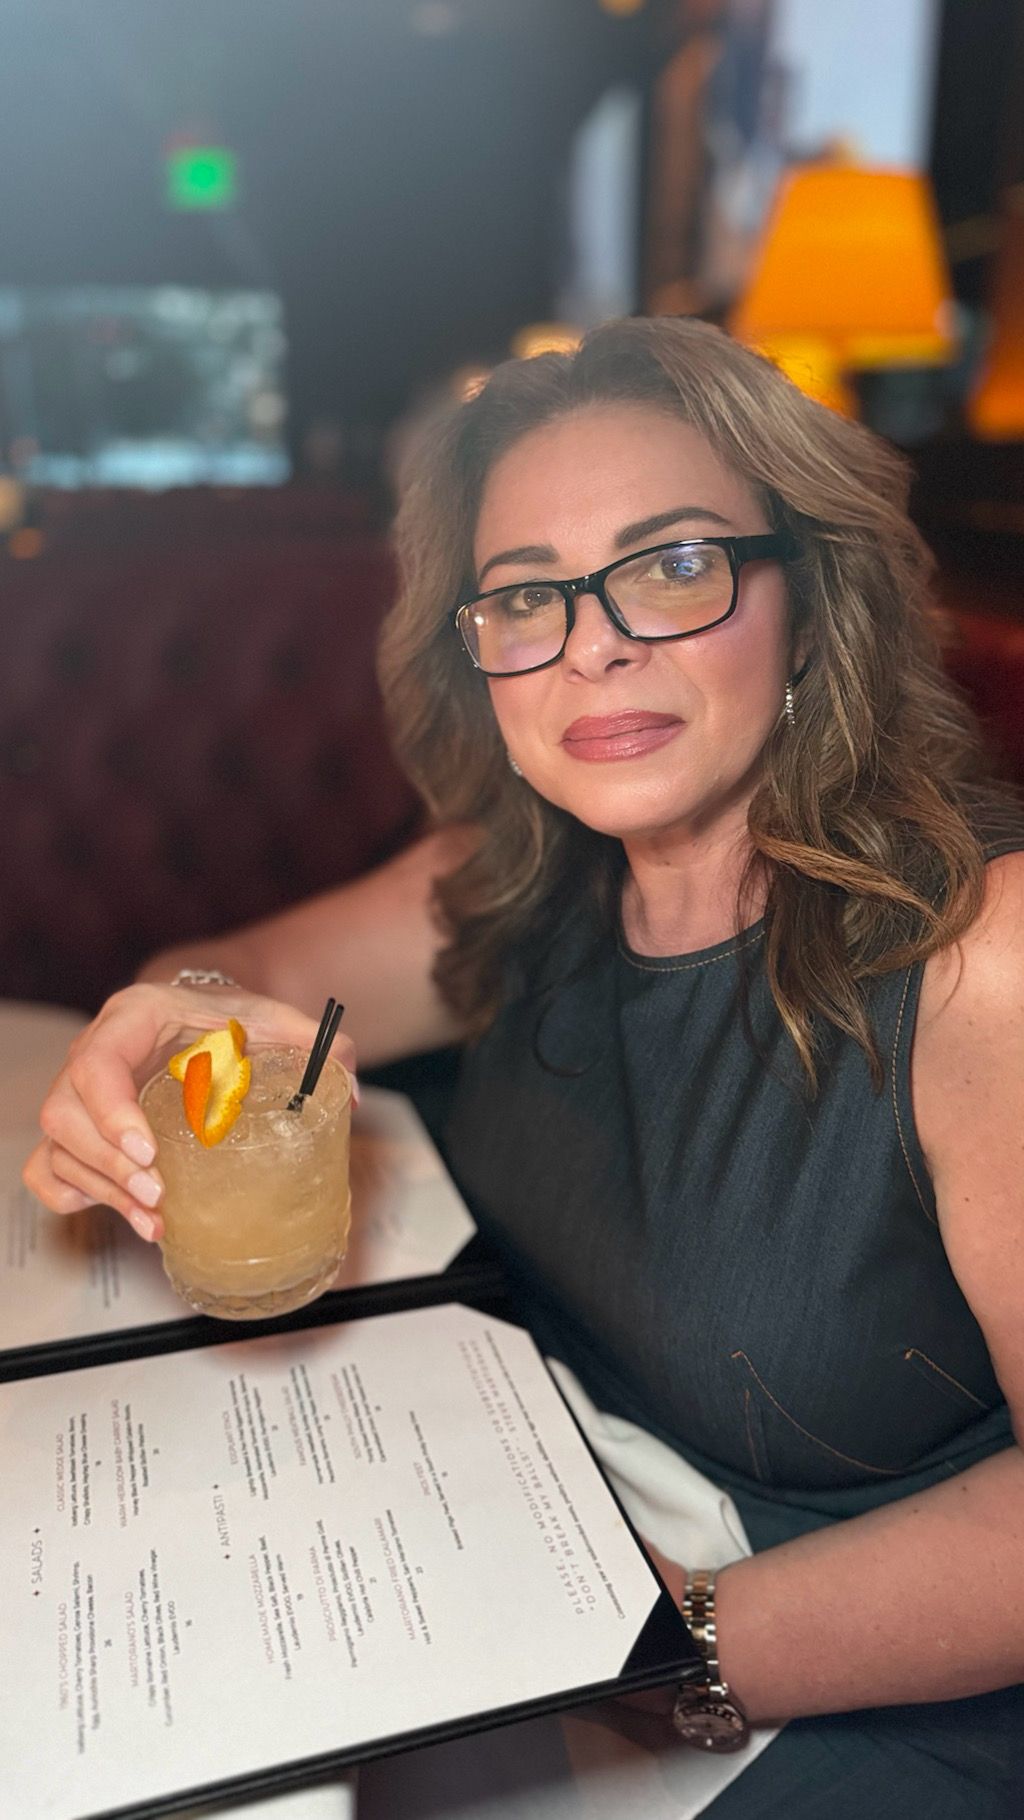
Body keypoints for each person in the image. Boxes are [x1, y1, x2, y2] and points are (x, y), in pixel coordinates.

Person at [24, 317, 1024, 1814]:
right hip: (527, 1538)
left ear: (812, 603)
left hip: (843, 1669)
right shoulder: (519, 870)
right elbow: (243, 977)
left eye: (674, 564)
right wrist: (163, 1028)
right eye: (526, 595)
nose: (594, 642)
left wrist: (668, 1651)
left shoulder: (980, 951)